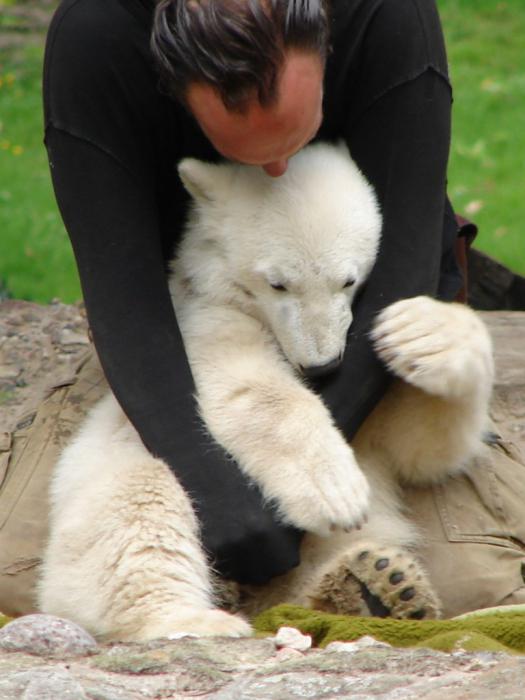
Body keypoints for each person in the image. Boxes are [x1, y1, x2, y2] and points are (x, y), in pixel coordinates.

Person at [38, 0, 461, 587]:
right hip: (198, 321)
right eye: (246, 154)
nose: (279, 169)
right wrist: (208, 482)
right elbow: (124, 304)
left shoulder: (386, 16)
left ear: (326, 46)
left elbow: (404, 277)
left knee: (471, 580)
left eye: (299, 133)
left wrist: (301, 471)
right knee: (44, 566)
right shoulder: (99, 38)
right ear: (172, 85)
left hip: (366, 327)